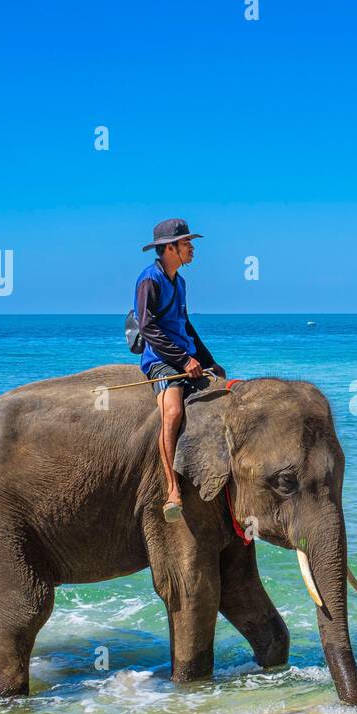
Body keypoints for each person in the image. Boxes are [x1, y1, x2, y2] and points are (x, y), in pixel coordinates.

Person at [134, 218, 225, 521]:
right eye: (187, 243)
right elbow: (147, 327)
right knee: (172, 413)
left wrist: (208, 360)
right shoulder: (150, 280)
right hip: (160, 360)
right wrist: (183, 361)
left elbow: (185, 325)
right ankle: (172, 489)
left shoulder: (181, 283)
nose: (192, 248)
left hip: (185, 356)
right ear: (169, 248)